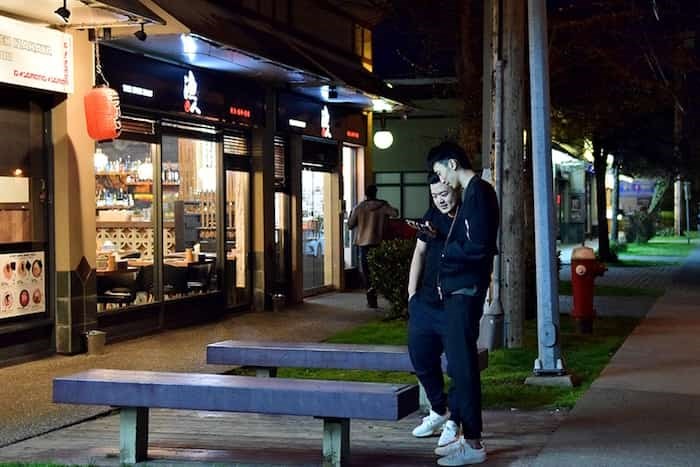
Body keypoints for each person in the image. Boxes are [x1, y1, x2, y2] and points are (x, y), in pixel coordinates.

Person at [428, 141, 499, 466]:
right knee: (459, 366)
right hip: (461, 290)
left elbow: (479, 246)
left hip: (465, 290)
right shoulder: (474, 193)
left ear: (452, 164)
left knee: (464, 367)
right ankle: (465, 436)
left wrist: (448, 253)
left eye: (439, 171)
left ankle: (473, 442)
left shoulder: (479, 193)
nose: (440, 179)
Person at [406, 174, 461, 442]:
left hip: (455, 303)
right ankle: (439, 410)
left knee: (459, 366)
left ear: (455, 188)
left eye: (444, 194)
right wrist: (411, 294)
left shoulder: (468, 216)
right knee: (421, 357)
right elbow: (419, 251)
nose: (440, 200)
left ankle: (457, 420)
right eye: (435, 196)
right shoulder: (432, 215)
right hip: (425, 302)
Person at [347, 184, 398, 308]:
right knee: (380, 270)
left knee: (366, 272)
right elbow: (395, 213)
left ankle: (371, 300)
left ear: (365, 193)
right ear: (376, 193)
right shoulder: (383, 205)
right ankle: (385, 294)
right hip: (379, 242)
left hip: (363, 244)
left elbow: (350, 224)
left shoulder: (359, 207)